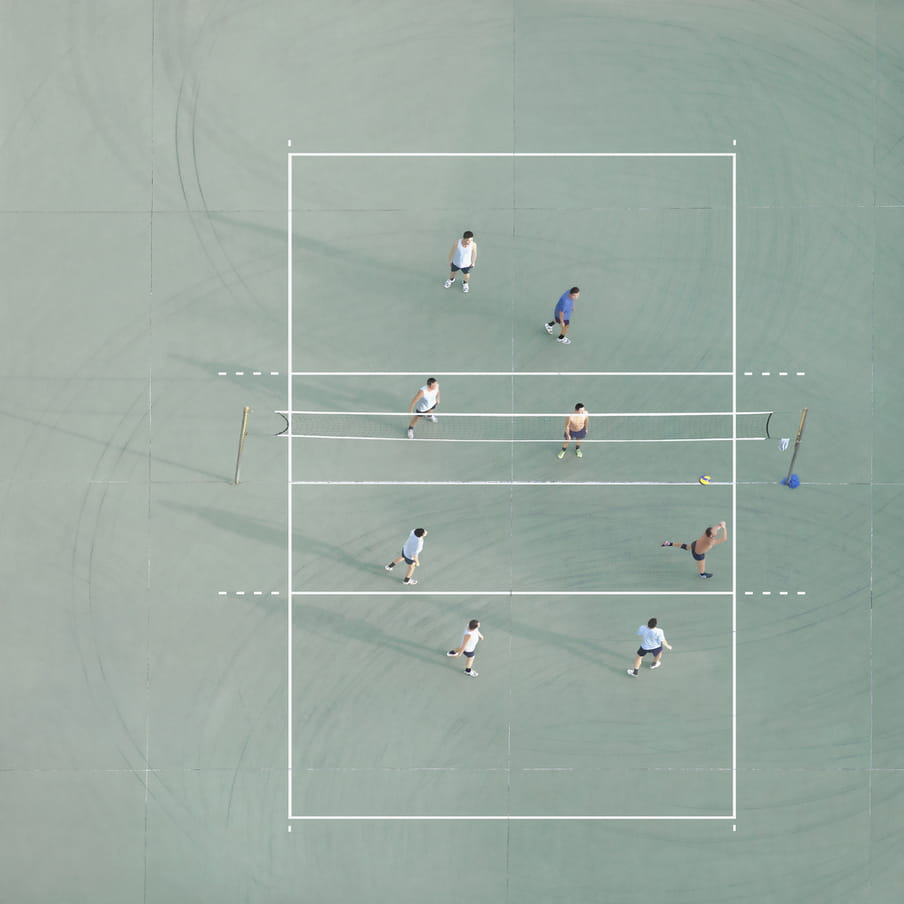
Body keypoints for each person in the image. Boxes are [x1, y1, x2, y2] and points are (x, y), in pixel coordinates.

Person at [660, 521, 727, 579]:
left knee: (686, 546)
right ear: (711, 536)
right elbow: (724, 539)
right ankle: (702, 574)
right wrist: (724, 528)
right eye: (715, 532)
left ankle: (668, 543)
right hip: (698, 553)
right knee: (701, 563)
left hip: (694, 544)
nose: (716, 531)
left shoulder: (706, 533)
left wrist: (719, 525)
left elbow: (713, 529)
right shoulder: (710, 541)